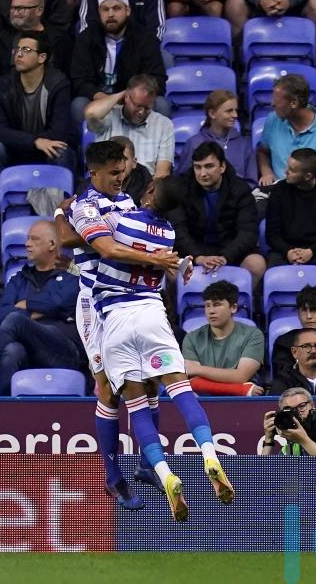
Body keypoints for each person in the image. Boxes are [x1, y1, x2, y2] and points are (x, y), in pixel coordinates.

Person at [92, 175, 236, 521]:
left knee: (137, 407)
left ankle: (165, 473)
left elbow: (97, 240)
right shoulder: (169, 235)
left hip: (116, 320)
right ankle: (209, 454)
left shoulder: (122, 220)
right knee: (181, 389)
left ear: (151, 191)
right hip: (152, 315)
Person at [56, 140, 181, 510]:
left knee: (152, 382)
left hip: (128, 303)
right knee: (109, 391)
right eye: (112, 173)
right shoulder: (85, 205)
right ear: (92, 173)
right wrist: (155, 258)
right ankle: (112, 476)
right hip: (95, 306)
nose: (119, 178)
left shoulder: (126, 202)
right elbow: (105, 248)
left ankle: (146, 464)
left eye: (122, 171)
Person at [0, 220, 84, 394]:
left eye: (34, 239)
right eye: (27, 238)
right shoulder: (18, 280)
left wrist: (27, 305)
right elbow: (1, 315)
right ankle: (1, 406)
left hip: (64, 352)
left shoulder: (71, 277)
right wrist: (38, 313)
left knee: (15, 319)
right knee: (12, 351)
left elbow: (60, 303)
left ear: (51, 244)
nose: (27, 244)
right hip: (28, 350)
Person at [169, 141, 267, 283]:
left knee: (256, 264)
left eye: (209, 166)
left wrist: (225, 256)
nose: (202, 173)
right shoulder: (181, 188)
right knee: (169, 266)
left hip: (230, 252)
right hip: (193, 252)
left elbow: (248, 233)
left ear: (222, 167)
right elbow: (178, 229)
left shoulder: (240, 190)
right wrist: (198, 256)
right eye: (197, 167)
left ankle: (237, 298)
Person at [0, 30, 77, 179]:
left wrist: (36, 142)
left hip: (47, 149)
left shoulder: (58, 85)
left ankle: (60, 194)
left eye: (26, 50)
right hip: (16, 148)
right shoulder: (4, 86)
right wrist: (34, 141)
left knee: (60, 151)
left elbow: (59, 132)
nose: (19, 54)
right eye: (17, 49)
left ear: (42, 57)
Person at [70, 0, 169, 123]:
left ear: (127, 11)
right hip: (99, 97)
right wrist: (103, 98)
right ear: (99, 12)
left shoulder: (145, 38)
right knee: (78, 104)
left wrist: (131, 96)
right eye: (105, 9)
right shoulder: (86, 38)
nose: (110, 14)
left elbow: (157, 79)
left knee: (161, 104)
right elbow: (79, 80)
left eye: (116, 8)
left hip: (134, 97)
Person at [264, 147, 316, 280]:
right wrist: (288, 251)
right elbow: (272, 234)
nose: (285, 172)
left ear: (308, 176)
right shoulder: (279, 191)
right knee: (271, 274)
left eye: (291, 170)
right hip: (284, 251)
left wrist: (311, 251)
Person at [256, 73, 316, 187]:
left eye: (277, 100)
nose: (272, 104)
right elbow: (263, 152)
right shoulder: (273, 119)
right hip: (276, 191)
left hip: (310, 195)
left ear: (294, 103)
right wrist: (267, 172)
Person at [181, 280, 266, 395]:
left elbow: (241, 376)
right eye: (207, 305)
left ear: (233, 308)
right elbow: (193, 382)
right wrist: (240, 389)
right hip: (205, 398)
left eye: (217, 305)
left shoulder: (253, 335)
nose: (211, 311)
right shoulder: (192, 337)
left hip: (241, 400)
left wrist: (197, 369)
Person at [85, 74, 175, 178]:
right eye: (137, 106)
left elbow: (162, 173)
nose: (141, 112)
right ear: (127, 97)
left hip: (145, 184)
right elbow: (91, 113)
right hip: (108, 182)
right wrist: (120, 95)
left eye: (147, 108)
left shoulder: (164, 125)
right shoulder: (108, 116)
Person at [177, 90, 256, 185]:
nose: (235, 115)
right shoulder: (194, 143)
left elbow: (251, 182)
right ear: (212, 114)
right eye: (229, 111)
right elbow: (184, 180)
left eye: (236, 110)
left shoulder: (244, 144)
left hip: (238, 193)